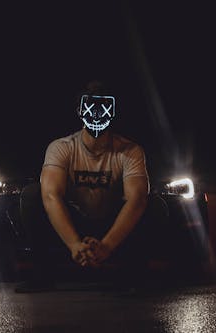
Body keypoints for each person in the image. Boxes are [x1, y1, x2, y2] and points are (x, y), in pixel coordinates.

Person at [15, 80, 167, 293]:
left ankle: (132, 276)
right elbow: (51, 195)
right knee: (32, 195)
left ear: (113, 110)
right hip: (73, 221)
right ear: (79, 110)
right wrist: (74, 244)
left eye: (103, 106)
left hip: (112, 223)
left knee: (154, 205)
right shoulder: (61, 147)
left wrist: (107, 246)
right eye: (90, 106)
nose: (96, 114)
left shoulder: (130, 150)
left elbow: (137, 199)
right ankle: (43, 275)